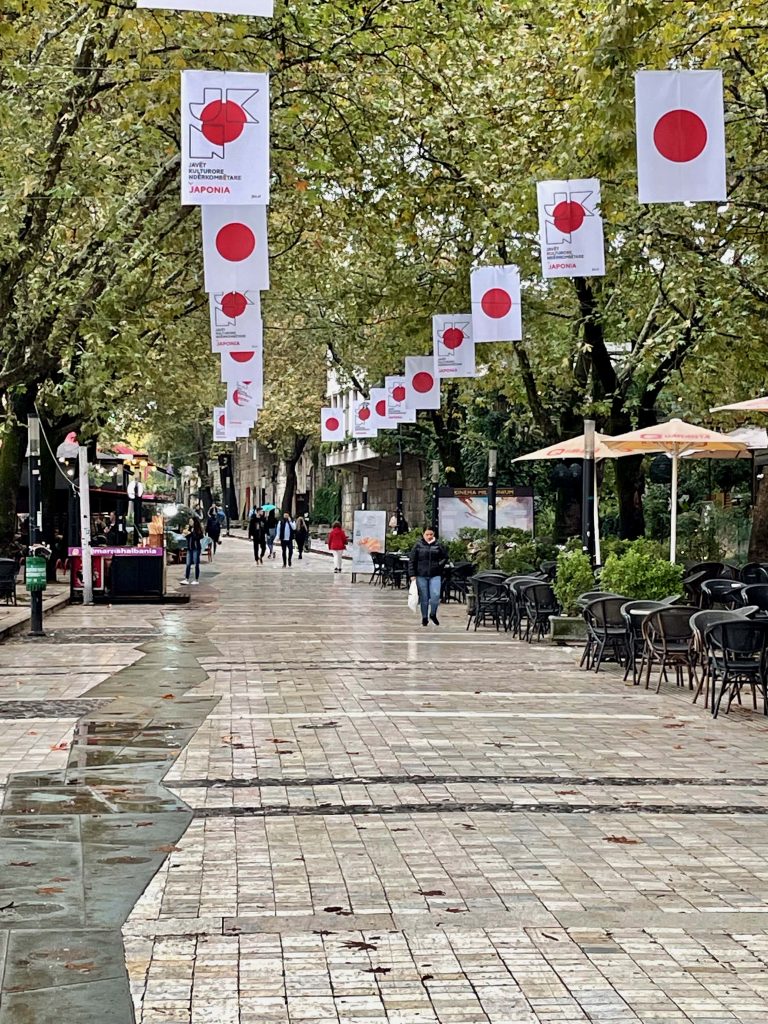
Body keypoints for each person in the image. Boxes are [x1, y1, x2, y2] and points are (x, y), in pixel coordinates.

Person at [408, 527, 448, 627]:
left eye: (431, 534)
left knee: (435, 595)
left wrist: (439, 565)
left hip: (435, 574)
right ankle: (424, 617)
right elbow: (412, 560)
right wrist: (412, 574)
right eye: (427, 534)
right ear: (423, 534)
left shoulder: (438, 545)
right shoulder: (418, 545)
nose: (429, 537)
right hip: (421, 574)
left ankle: (433, 613)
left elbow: (445, 557)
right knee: (424, 597)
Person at [180, 516, 204, 585]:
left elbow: (199, 536)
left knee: (196, 564)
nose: (190, 523)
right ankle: (186, 579)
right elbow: (188, 537)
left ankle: (196, 579)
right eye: (189, 521)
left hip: (196, 548)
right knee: (188, 564)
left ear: (194, 522)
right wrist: (186, 534)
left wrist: (191, 534)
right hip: (189, 548)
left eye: (191, 521)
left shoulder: (197, 529)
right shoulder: (189, 529)